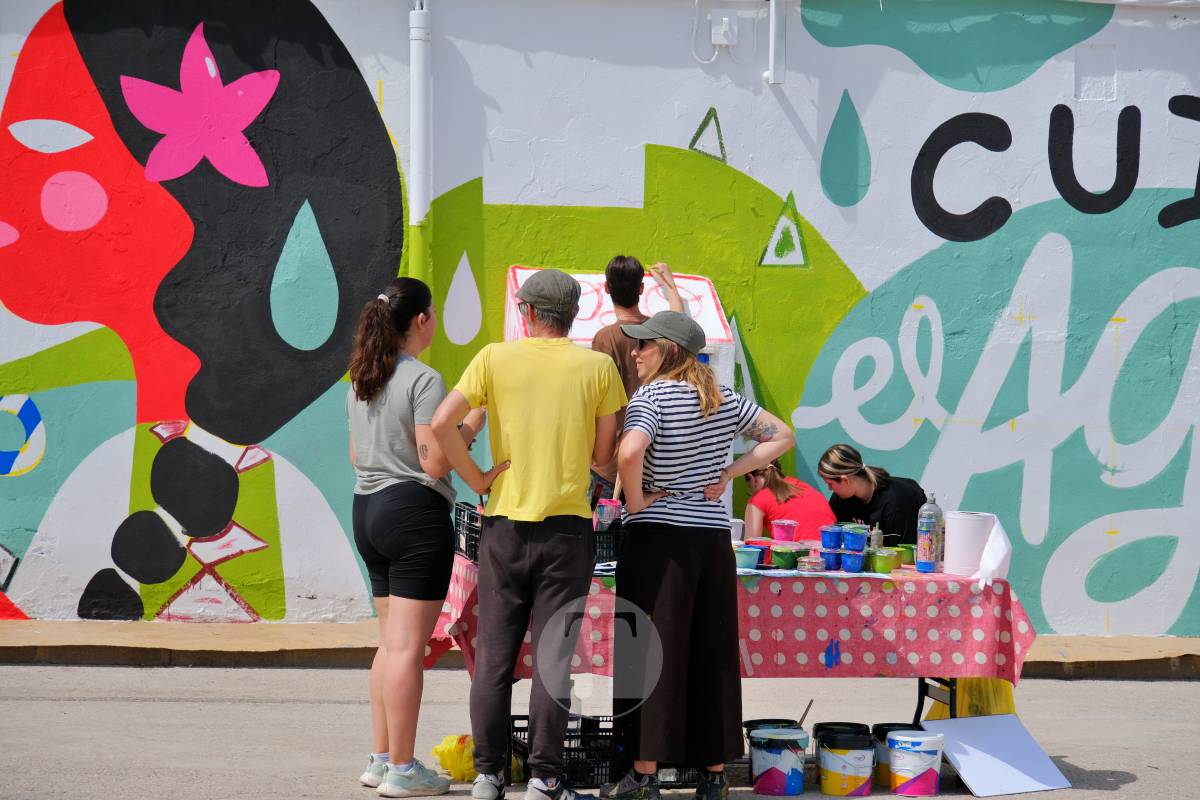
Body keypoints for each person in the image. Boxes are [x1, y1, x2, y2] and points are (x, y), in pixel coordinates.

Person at [431, 269, 626, 800]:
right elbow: (604, 456)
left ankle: (490, 774)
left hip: (504, 529)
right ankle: (544, 777)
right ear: (571, 315)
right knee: (553, 661)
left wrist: (477, 479)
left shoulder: (494, 357)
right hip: (567, 534)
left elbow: (441, 424)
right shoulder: (598, 367)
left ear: (529, 314)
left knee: (493, 657)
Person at [604, 311, 793, 800]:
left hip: (657, 540)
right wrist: (730, 473)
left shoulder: (651, 397)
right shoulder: (722, 398)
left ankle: (644, 773)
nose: (634, 352)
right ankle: (712, 775)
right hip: (711, 542)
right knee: (711, 654)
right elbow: (783, 436)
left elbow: (628, 454)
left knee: (645, 652)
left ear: (668, 350)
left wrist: (637, 498)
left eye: (644, 345)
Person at [348, 278, 491, 798]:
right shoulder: (424, 379)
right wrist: (471, 441)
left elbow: (355, 456)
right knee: (409, 648)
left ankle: (382, 758)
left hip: (367, 509)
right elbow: (432, 460)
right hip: (413, 512)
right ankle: (404, 770)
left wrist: (454, 437)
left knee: (390, 644)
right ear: (422, 321)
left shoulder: (363, 379)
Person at [589, 257, 685, 501]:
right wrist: (671, 287)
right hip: (654, 458)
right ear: (641, 289)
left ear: (607, 288)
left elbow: (598, 401)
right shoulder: (658, 332)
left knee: (606, 536)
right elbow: (681, 327)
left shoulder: (605, 337)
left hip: (611, 463)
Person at [817, 444, 927, 545]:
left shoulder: (896, 502)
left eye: (830, 484)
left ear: (845, 480)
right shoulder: (841, 499)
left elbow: (904, 555)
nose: (830, 489)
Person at [743, 461, 835, 540]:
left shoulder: (758, 499)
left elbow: (751, 548)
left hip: (799, 556)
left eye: (749, 486)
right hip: (833, 553)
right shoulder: (802, 486)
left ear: (751, 477)